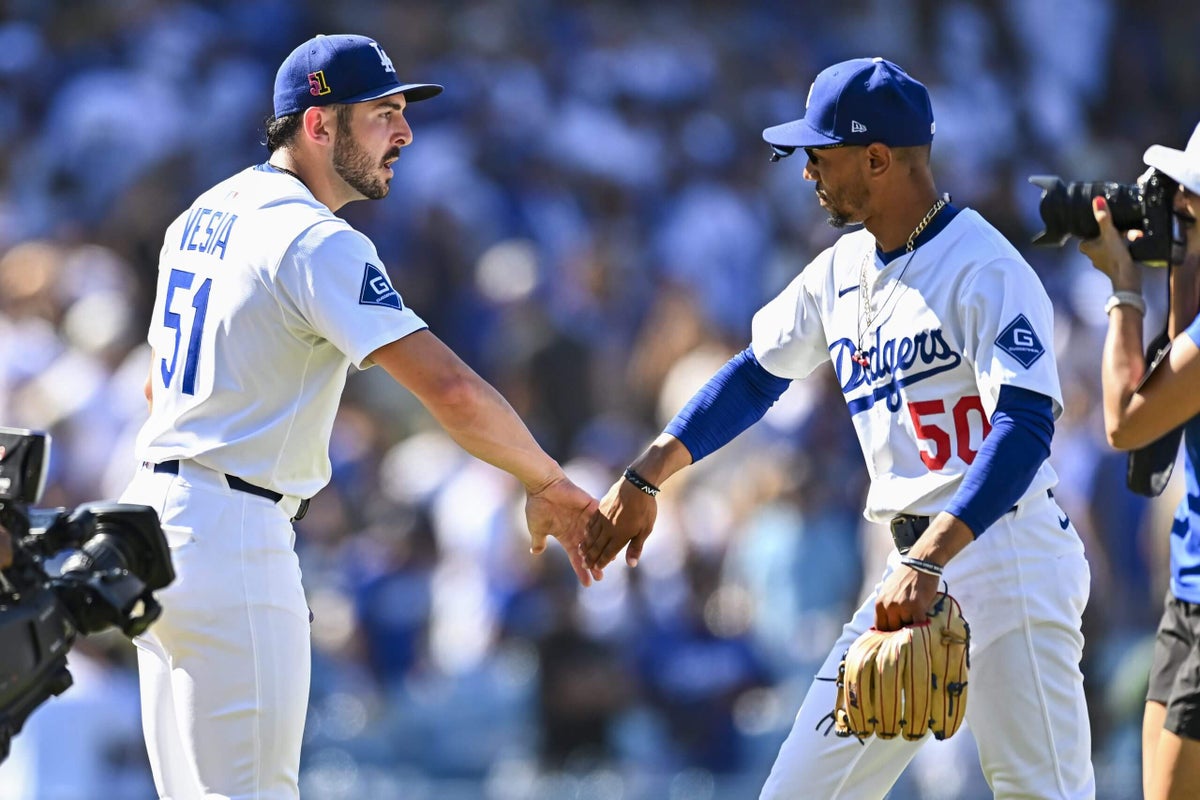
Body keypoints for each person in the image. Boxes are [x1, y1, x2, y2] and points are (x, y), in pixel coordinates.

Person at [584, 57, 1095, 798]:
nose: (806, 173)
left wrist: (931, 559)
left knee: (1041, 791)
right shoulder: (841, 267)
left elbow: (1023, 427)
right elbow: (757, 373)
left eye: (819, 156)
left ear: (878, 159)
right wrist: (646, 475)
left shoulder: (984, 264)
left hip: (1006, 551)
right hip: (909, 567)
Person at [118, 33, 602, 800]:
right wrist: (545, 479)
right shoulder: (313, 238)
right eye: (381, 114)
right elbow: (450, 390)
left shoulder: (203, 213)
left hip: (151, 525)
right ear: (317, 125)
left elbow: (155, 391)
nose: (403, 133)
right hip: (233, 534)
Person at [1078, 121, 1200, 800]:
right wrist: (1178, 257)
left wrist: (1125, 286)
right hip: (1188, 596)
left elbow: (1126, 422)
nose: (1176, 201)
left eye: (1189, 198)